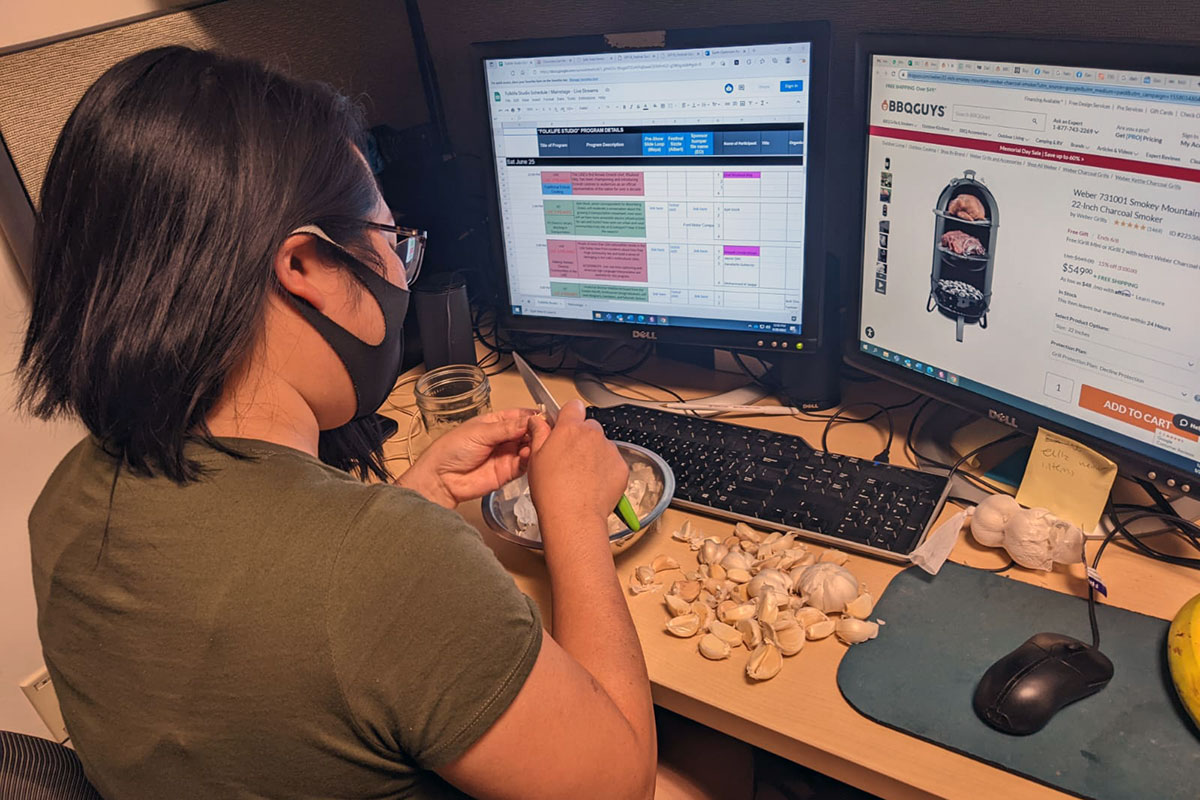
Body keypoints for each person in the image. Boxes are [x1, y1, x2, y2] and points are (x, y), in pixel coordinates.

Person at [19, 46, 657, 799]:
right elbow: (617, 785)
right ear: (309, 269)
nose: (397, 273)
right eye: (391, 243)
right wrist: (577, 521)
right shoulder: (384, 569)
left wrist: (409, 497)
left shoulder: (66, 499)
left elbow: (281, 643)